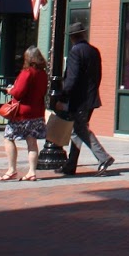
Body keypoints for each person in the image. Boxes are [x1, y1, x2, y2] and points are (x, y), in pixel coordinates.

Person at [55, 20, 114, 175]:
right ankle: (70, 165)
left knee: (81, 129)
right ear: (83, 34)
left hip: (79, 100)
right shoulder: (94, 51)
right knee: (76, 131)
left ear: (71, 37)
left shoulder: (76, 51)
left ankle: (104, 157)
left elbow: (72, 78)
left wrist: (63, 98)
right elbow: (98, 76)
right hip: (90, 98)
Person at [0, 46, 49, 181]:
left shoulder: (27, 73)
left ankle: (12, 169)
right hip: (37, 112)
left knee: (8, 137)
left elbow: (18, 92)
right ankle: (32, 171)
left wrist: (10, 90)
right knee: (32, 142)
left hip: (22, 113)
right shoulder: (42, 74)